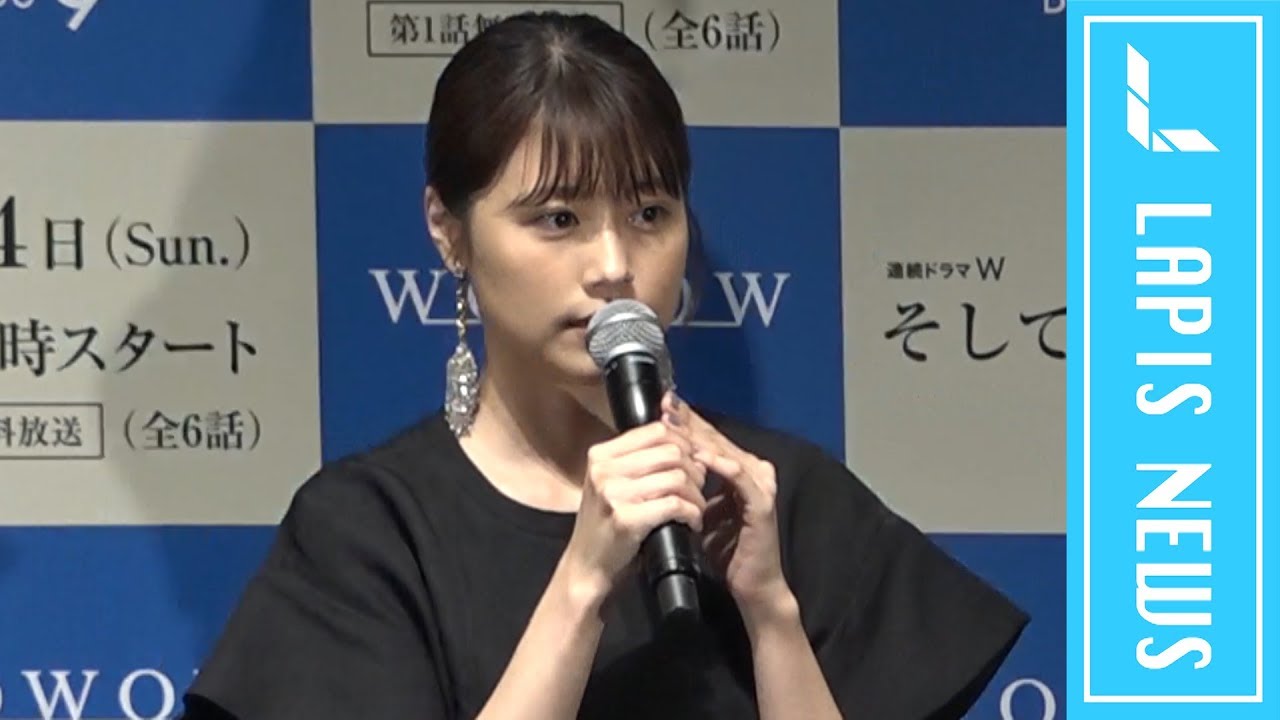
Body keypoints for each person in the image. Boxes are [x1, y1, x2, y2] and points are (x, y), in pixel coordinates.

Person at [178, 11, 1028, 720]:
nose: (615, 266)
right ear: (449, 231)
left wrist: (772, 614)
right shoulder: (369, 531)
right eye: (558, 220)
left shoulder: (779, 496)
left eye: (650, 213)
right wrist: (582, 582)